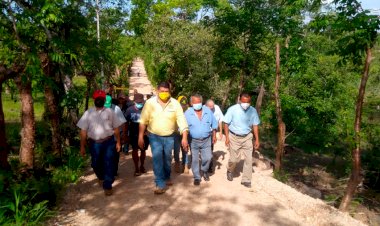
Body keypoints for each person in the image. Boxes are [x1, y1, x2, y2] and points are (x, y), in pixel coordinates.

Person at [138, 81, 189, 194]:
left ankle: (167, 176)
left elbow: (182, 121)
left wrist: (184, 138)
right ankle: (160, 183)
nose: (164, 93)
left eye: (167, 91)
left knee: (167, 159)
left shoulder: (175, 104)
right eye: (162, 91)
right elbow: (143, 121)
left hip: (170, 137)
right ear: (157, 91)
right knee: (157, 159)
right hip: (154, 136)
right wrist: (140, 136)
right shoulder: (149, 103)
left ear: (170, 91)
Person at [77, 90, 123, 196]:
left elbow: (116, 128)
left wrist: (118, 143)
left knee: (109, 163)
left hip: (109, 141)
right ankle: (101, 177)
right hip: (94, 143)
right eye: (97, 99)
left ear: (103, 100)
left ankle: (108, 186)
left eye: (100, 99)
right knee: (95, 163)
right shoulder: (88, 113)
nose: (99, 100)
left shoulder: (110, 112)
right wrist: (82, 147)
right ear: (94, 100)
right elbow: (83, 131)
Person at [223, 93, 260, 188]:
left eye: (247, 102)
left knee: (248, 159)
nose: (245, 104)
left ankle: (246, 180)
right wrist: (227, 138)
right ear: (240, 100)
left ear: (250, 102)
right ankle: (230, 170)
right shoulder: (232, 109)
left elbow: (255, 125)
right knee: (234, 159)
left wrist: (257, 139)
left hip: (247, 137)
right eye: (243, 102)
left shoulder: (253, 111)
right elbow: (226, 124)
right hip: (234, 137)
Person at [185, 94, 217, 185]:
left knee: (208, 157)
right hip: (193, 140)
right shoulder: (187, 113)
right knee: (195, 159)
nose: (197, 104)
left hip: (207, 139)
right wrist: (185, 140)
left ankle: (204, 170)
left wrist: (214, 136)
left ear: (202, 102)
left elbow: (214, 124)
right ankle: (197, 177)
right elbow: (184, 128)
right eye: (195, 102)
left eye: (199, 102)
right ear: (191, 103)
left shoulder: (208, 111)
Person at [125, 93, 149, 176]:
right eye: (138, 102)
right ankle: (136, 168)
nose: (139, 104)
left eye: (141, 102)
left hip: (145, 134)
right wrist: (125, 134)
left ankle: (142, 165)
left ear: (143, 101)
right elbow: (126, 123)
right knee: (134, 150)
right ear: (134, 101)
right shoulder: (129, 110)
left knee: (143, 150)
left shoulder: (146, 110)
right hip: (133, 134)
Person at [104, 95, 127, 177]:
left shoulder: (116, 109)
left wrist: (123, 135)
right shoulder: (97, 109)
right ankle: (107, 171)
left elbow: (123, 122)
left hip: (114, 136)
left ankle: (113, 171)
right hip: (103, 137)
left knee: (114, 155)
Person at [205, 99, 224, 173]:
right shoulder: (202, 109)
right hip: (204, 132)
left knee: (210, 149)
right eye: (210, 107)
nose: (212, 108)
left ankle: (209, 166)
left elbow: (220, 120)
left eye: (213, 106)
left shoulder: (217, 108)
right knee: (204, 150)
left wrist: (221, 131)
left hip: (212, 131)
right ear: (206, 106)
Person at [173, 95, 190, 173]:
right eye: (181, 105)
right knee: (176, 150)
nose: (183, 106)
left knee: (185, 149)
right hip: (176, 133)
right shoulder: (174, 109)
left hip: (186, 133)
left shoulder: (189, 111)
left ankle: (185, 164)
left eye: (184, 105)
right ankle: (177, 163)